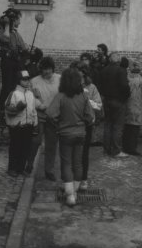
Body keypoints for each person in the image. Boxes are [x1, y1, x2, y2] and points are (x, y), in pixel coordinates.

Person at [47, 68, 95, 206]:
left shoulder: (60, 96)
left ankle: (70, 195)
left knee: (66, 163)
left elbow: (50, 114)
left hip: (65, 134)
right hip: (81, 133)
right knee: (78, 163)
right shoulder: (84, 96)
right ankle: (74, 191)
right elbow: (90, 116)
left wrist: (58, 123)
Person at [4, 70, 45, 177]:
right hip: (17, 125)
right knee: (15, 147)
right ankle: (12, 168)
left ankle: (20, 168)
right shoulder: (14, 94)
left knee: (25, 148)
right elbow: (8, 109)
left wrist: (35, 123)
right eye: (24, 79)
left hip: (28, 125)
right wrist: (17, 108)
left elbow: (33, 110)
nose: (27, 81)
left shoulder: (30, 94)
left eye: (28, 79)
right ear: (19, 81)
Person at [31, 56, 61, 181]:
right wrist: (40, 105)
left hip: (54, 117)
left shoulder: (60, 79)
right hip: (40, 115)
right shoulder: (34, 81)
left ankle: (49, 171)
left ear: (52, 69)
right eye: (44, 69)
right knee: (35, 141)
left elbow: (62, 96)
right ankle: (29, 165)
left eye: (49, 69)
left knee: (51, 144)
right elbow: (31, 97)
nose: (46, 72)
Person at [0, 8, 28, 123]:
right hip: (8, 62)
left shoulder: (15, 32)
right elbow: (5, 38)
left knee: (18, 85)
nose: (19, 22)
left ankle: (17, 107)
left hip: (17, 62)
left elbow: (23, 47)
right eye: (18, 19)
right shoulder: (3, 32)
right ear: (13, 20)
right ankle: (3, 112)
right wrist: (6, 25)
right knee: (7, 87)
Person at [76, 62, 102, 190]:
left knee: (84, 153)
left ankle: (83, 179)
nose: (79, 80)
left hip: (86, 124)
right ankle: (72, 180)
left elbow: (98, 105)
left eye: (81, 77)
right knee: (72, 153)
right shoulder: (70, 87)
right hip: (73, 123)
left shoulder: (92, 88)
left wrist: (87, 100)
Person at [100, 52, 130, 158]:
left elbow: (100, 85)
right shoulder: (121, 70)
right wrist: (126, 96)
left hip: (106, 100)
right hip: (118, 100)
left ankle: (106, 149)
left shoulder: (103, 70)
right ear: (118, 60)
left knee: (108, 125)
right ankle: (116, 150)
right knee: (117, 126)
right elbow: (124, 86)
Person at [122, 60, 142, 156]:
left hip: (127, 105)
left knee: (127, 126)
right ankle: (132, 148)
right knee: (135, 128)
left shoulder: (126, 80)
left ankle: (125, 146)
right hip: (138, 105)